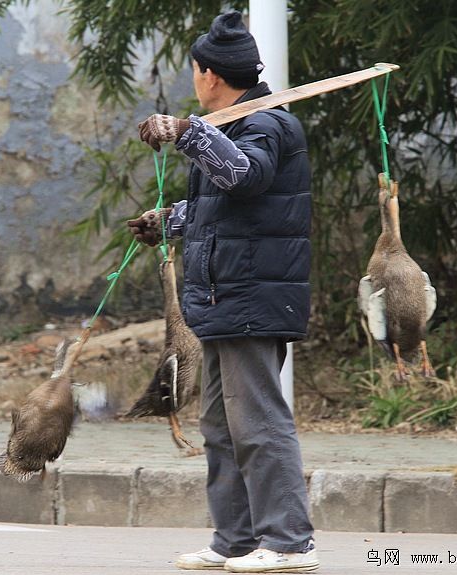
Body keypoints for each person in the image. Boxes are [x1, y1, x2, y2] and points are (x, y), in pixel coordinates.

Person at [127, 10, 318, 574]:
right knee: (220, 425)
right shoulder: (234, 125)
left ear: (208, 75)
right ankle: (234, 539)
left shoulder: (267, 125)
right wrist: (171, 220)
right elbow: (229, 205)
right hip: (222, 298)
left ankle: (287, 542)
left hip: (254, 298)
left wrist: (188, 132)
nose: (194, 81)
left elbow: (243, 178)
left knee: (258, 422)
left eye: (194, 71)